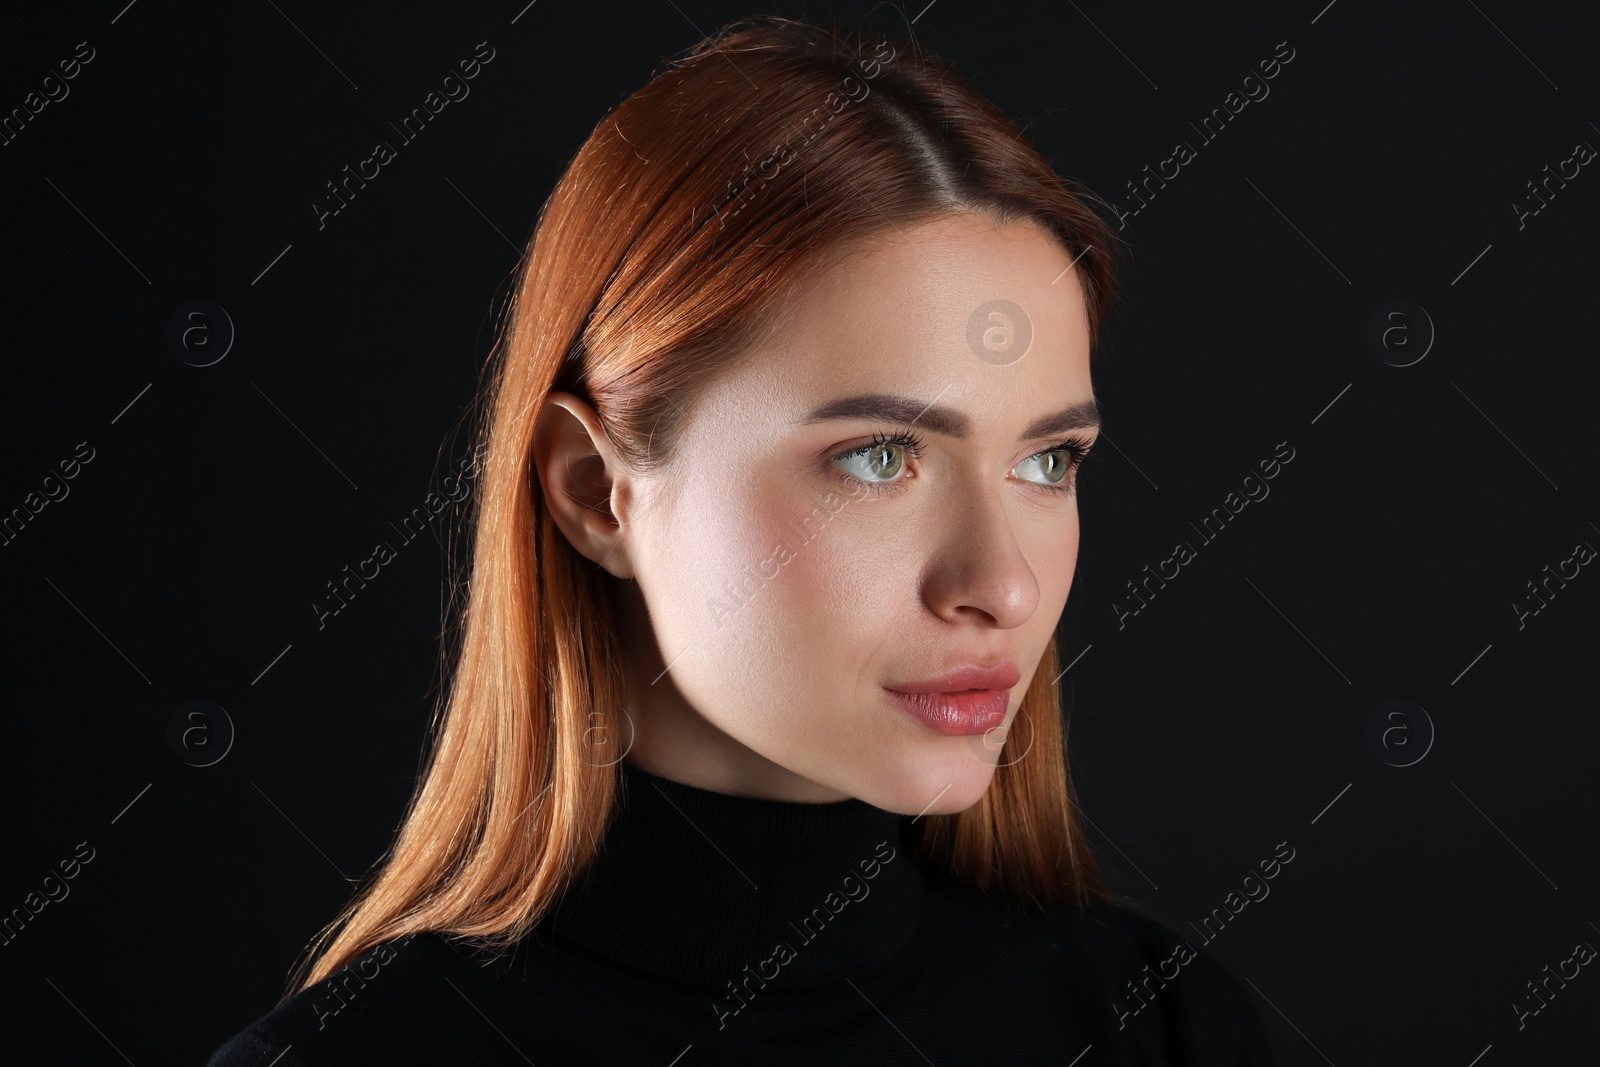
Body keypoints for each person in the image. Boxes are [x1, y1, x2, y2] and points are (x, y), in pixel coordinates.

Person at [208, 15, 1275, 1065]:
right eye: (880, 455)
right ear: (594, 491)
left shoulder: (1163, 1029)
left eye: (1048, 461)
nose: (998, 583)